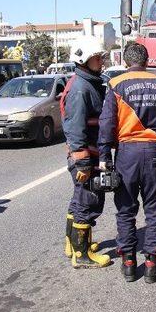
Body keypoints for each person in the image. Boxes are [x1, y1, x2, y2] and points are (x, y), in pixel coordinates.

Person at [98, 43, 156, 284]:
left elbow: (106, 124)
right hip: (154, 152)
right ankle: (153, 264)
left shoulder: (115, 84)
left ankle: (129, 263)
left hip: (126, 154)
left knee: (125, 209)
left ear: (125, 62)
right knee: (154, 209)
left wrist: (104, 157)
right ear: (147, 61)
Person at [62, 37, 110, 269]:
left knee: (78, 200)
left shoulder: (87, 82)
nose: (101, 61)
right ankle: (81, 255)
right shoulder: (81, 89)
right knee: (89, 200)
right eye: (97, 58)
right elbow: (75, 126)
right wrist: (82, 161)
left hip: (87, 153)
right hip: (86, 156)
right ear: (84, 60)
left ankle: (73, 244)